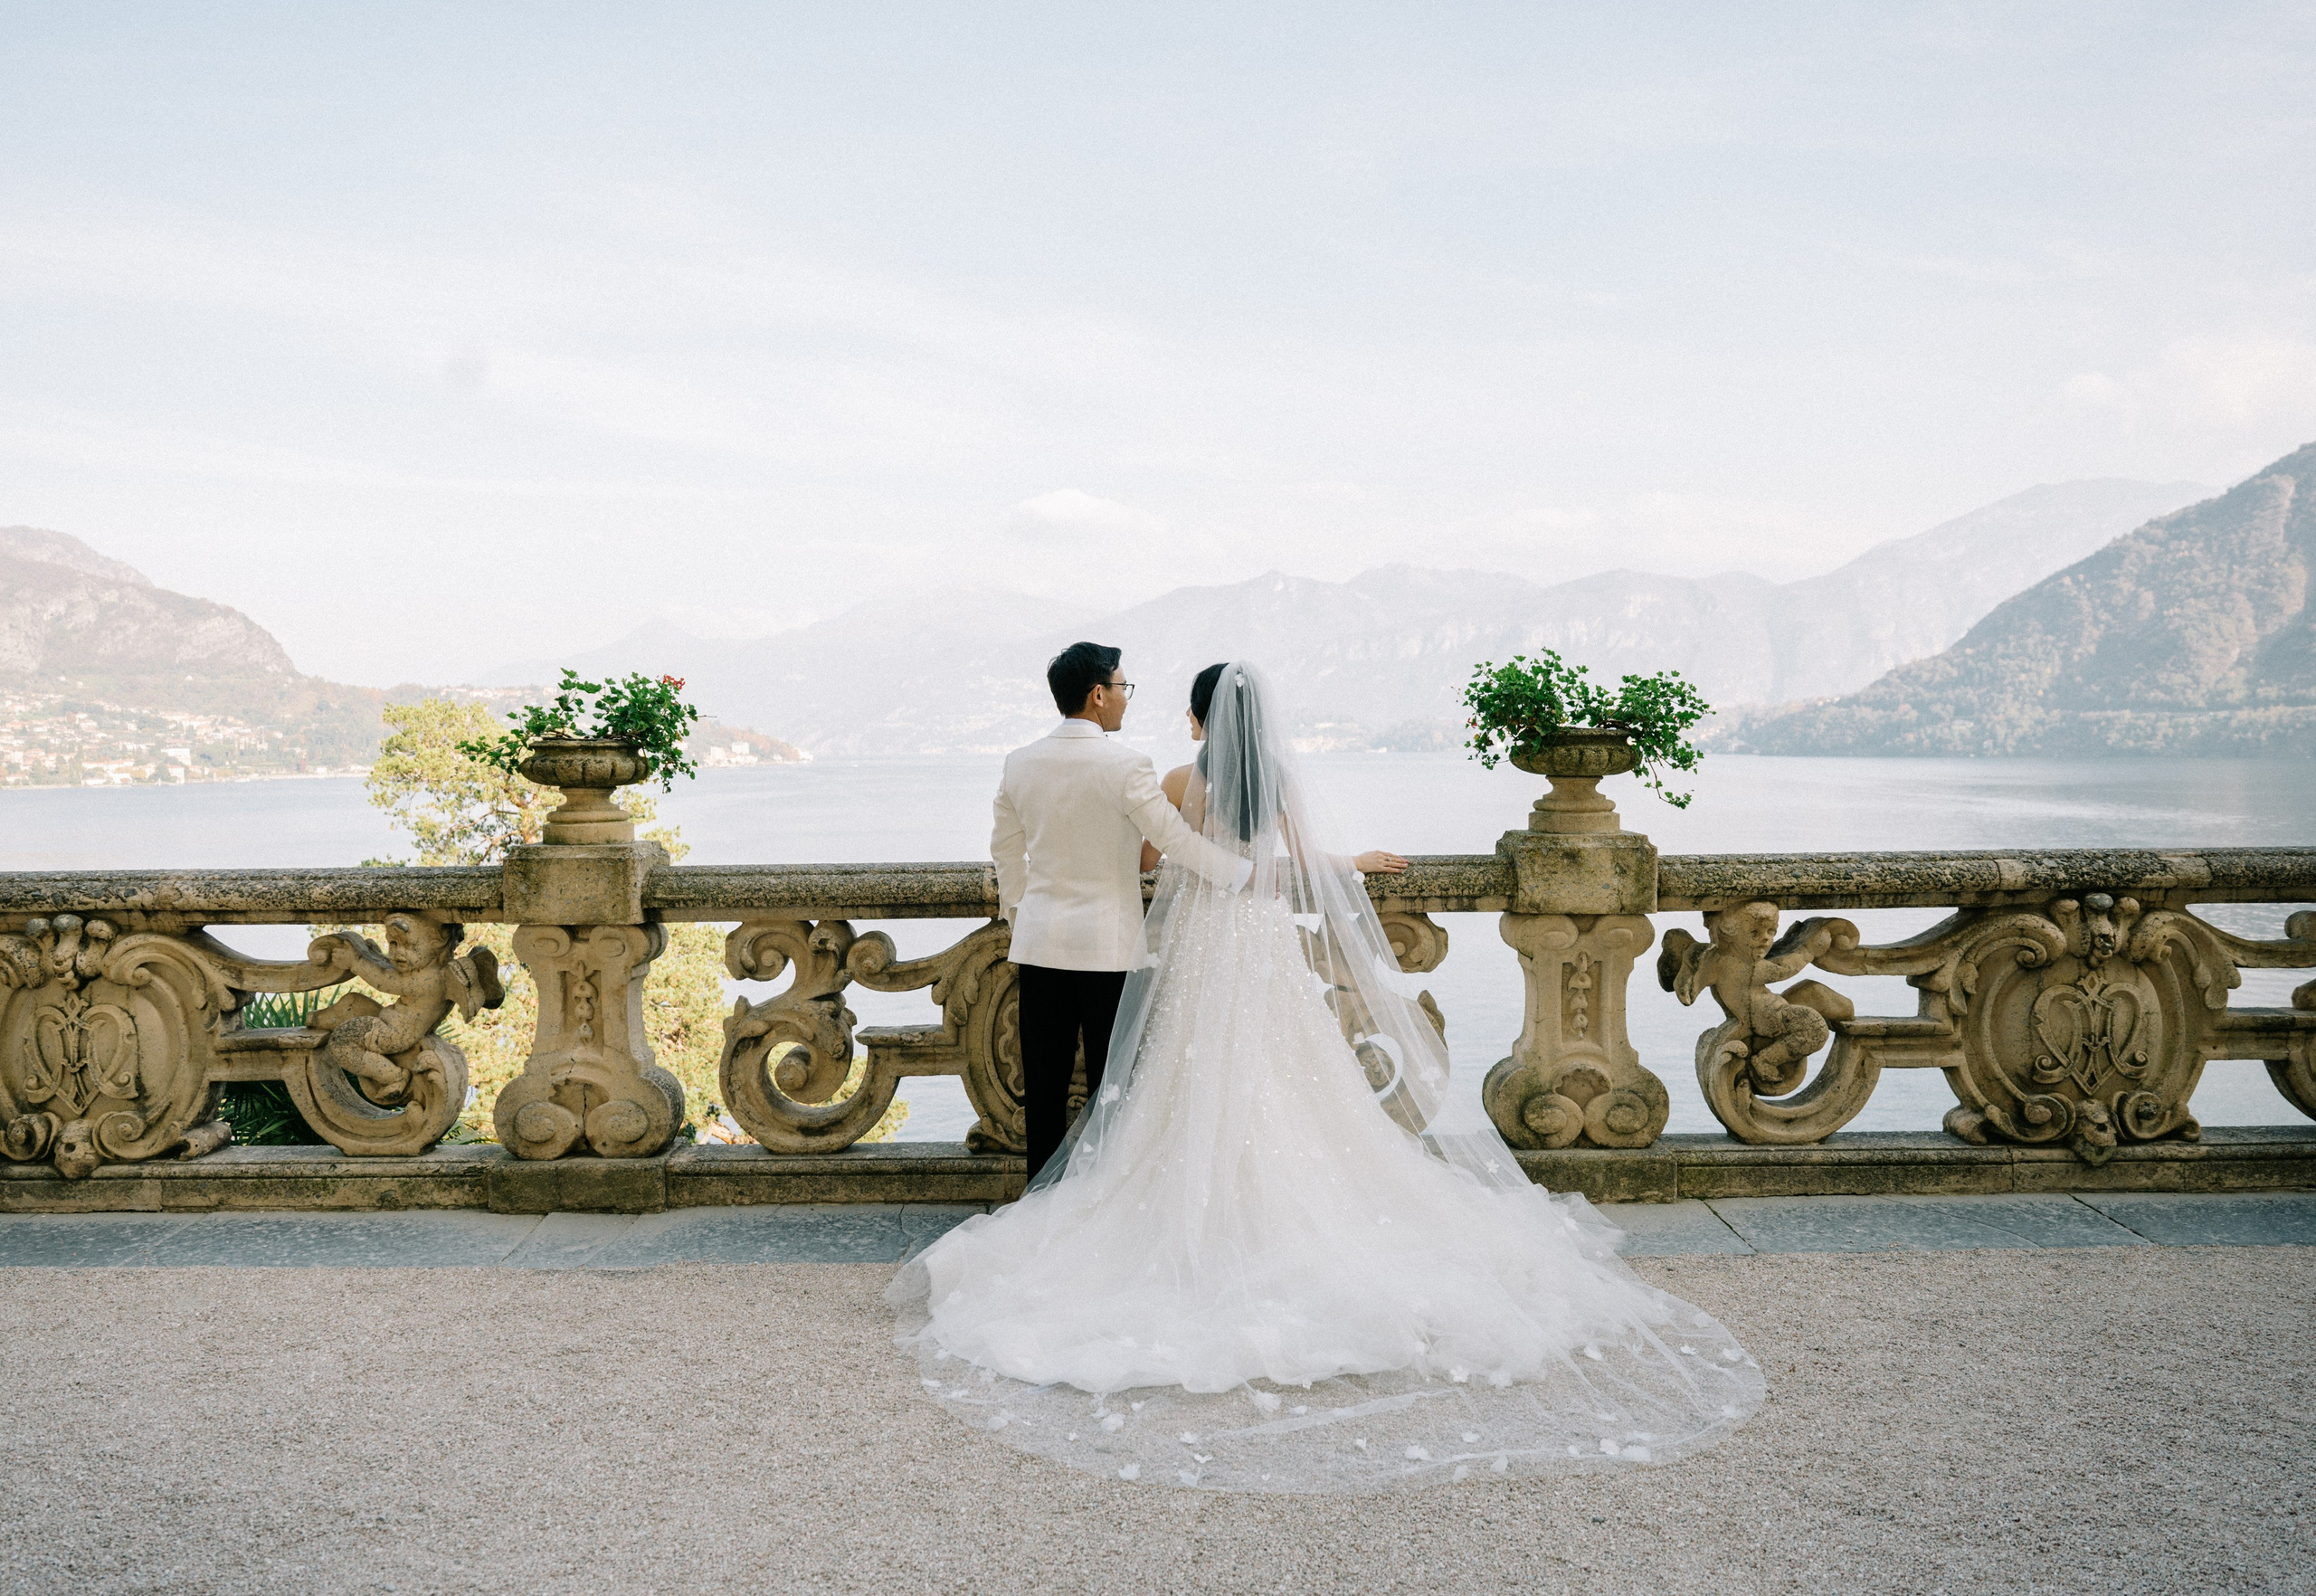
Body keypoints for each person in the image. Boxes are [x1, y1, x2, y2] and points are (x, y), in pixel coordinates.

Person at [892, 660, 1763, 1492]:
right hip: (1262, 942)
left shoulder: (1174, 783)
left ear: (1198, 721)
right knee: (1284, 1079)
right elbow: (1305, 863)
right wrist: (1363, 864)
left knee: (1184, 1078)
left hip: (1198, 941)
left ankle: (1184, 1211)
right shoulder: (1274, 781)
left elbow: (1158, 864)